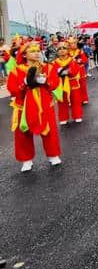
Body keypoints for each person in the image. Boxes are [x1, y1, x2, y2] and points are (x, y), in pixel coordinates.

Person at [6, 41, 62, 172]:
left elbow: (55, 84)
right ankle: (26, 160)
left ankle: (53, 155)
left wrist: (46, 81)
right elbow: (12, 89)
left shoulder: (48, 67)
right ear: (24, 55)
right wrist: (24, 83)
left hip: (44, 105)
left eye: (38, 50)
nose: (37, 53)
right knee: (23, 134)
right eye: (33, 51)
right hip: (23, 106)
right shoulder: (16, 71)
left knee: (50, 131)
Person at [51, 41, 83, 124]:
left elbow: (76, 71)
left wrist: (69, 72)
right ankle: (63, 118)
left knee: (76, 100)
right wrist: (57, 74)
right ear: (57, 51)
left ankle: (77, 116)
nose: (62, 50)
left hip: (72, 83)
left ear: (67, 50)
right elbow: (52, 74)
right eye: (59, 49)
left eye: (64, 48)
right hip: (61, 85)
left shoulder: (72, 60)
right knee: (61, 102)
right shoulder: (54, 63)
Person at [67, 37, 90, 104]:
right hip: (72, 72)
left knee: (82, 85)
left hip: (80, 70)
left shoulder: (80, 51)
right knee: (72, 86)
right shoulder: (67, 52)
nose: (73, 44)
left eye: (74, 43)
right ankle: (73, 100)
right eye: (71, 43)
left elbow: (85, 60)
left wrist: (78, 61)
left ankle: (84, 99)